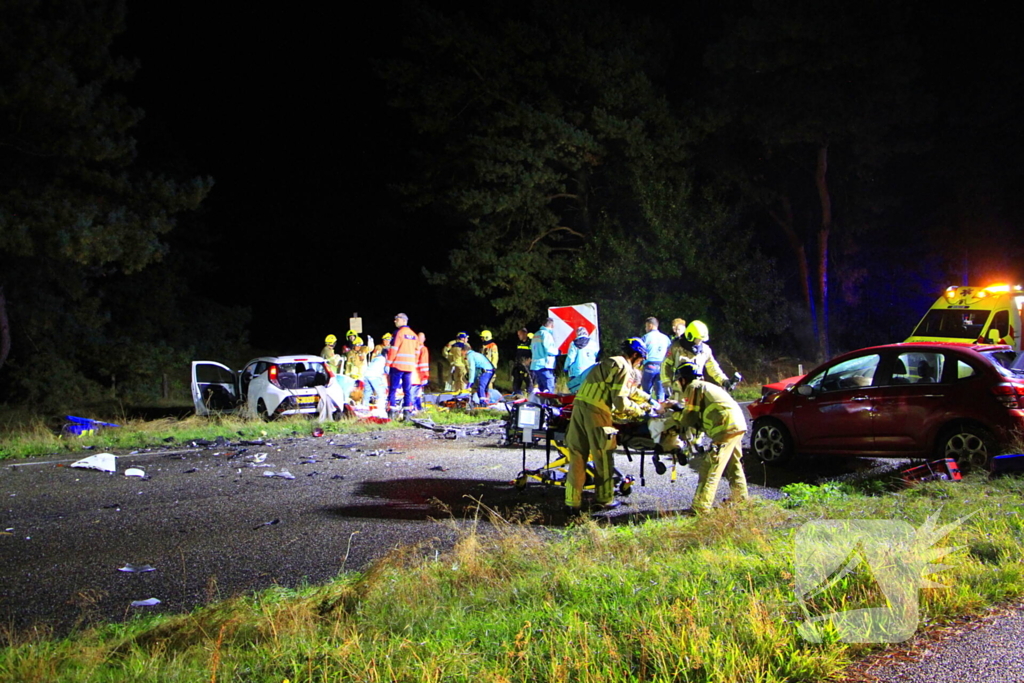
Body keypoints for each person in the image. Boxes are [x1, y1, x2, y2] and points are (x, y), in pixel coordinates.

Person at [563, 338, 648, 515]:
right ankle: (604, 499)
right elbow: (620, 400)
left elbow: (627, 390)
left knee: (577, 457)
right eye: (640, 359)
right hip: (597, 412)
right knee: (603, 456)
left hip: (579, 409)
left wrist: (649, 399)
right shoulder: (625, 367)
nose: (640, 363)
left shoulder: (610, 362)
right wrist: (640, 411)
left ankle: (572, 502)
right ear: (634, 355)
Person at [660, 362, 748, 514]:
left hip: (724, 428)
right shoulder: (705, 386)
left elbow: (689, 419)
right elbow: (695, 412)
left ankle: (701, 507)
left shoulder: (692, 386)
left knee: (710, 466)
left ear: (682, 379)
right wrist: (679, 407)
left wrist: (673, 410)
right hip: (737, 425)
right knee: (733, 464)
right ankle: (740, 498)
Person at [660, 320, 731, 399]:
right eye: (698, 339)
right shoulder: (675, 348)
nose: (700, 342)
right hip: (679, 390)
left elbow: (713, 367)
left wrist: (724, 380)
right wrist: (666, 383)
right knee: (679, 410)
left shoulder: (705, 350)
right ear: (690, 336)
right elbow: (665, 365)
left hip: (697, 389)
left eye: (701, 340)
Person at [386, 313, 419, 417]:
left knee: (393, 389)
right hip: (409, 367)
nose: (395, 321)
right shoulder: (414, 335)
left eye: (397, 319)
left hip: (397, 365)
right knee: (407, 390)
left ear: (403, 320)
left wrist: (388, 364)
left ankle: (391, 412)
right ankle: (407, 413)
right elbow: (417, 351)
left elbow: (394, 349)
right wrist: (414, 363)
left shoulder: (398, 333)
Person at [640, 317, 671, 401]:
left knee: (645, 392)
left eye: (646, 326)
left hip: (649, 366)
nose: (645, 329)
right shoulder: (666, 338)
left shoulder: (645, 337)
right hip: (662, 367)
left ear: (650, 325)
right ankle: (660, 411)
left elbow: (640, 352)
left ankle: (647, 411)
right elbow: (670, 353)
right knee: (660, 393)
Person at [565, 326, 598, 394]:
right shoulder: (593, 344)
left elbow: (570, 358)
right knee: (589, 391)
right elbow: (597, 356)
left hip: (576, 371)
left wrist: (566, 367)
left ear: (577, 334)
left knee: (576, 392)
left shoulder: (574, 343)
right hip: (590, 370)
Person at [529, 318, 559, 394]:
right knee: (549, 387)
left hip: (535, 365)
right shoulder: (546, 335)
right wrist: (558, 352)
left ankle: (541, 404)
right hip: (544, 365)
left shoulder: (536, 334)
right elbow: (549, 349)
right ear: (552, 325)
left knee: (541, 389)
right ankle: (548, 404)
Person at [411, 332, 430, 411]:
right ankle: (416, 409)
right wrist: (425, 377)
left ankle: (415, 408)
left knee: (411, 392)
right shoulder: (423, 349)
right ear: (424, 339)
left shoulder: (411, 348)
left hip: (410, 374)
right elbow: (423, 364)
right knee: (417, 393)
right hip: (418, 376)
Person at [511, 328, 533, 396]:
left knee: (529, 381)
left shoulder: (530, 342)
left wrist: (529, 361)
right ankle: (517, 394)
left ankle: (529, 394)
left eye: (520, 334)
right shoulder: (519, 343)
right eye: (518, 335)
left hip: (527, 365)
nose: (519, 336)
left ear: (525, 333)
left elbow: (534, 353)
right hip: (519, 364)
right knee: (517, 380)